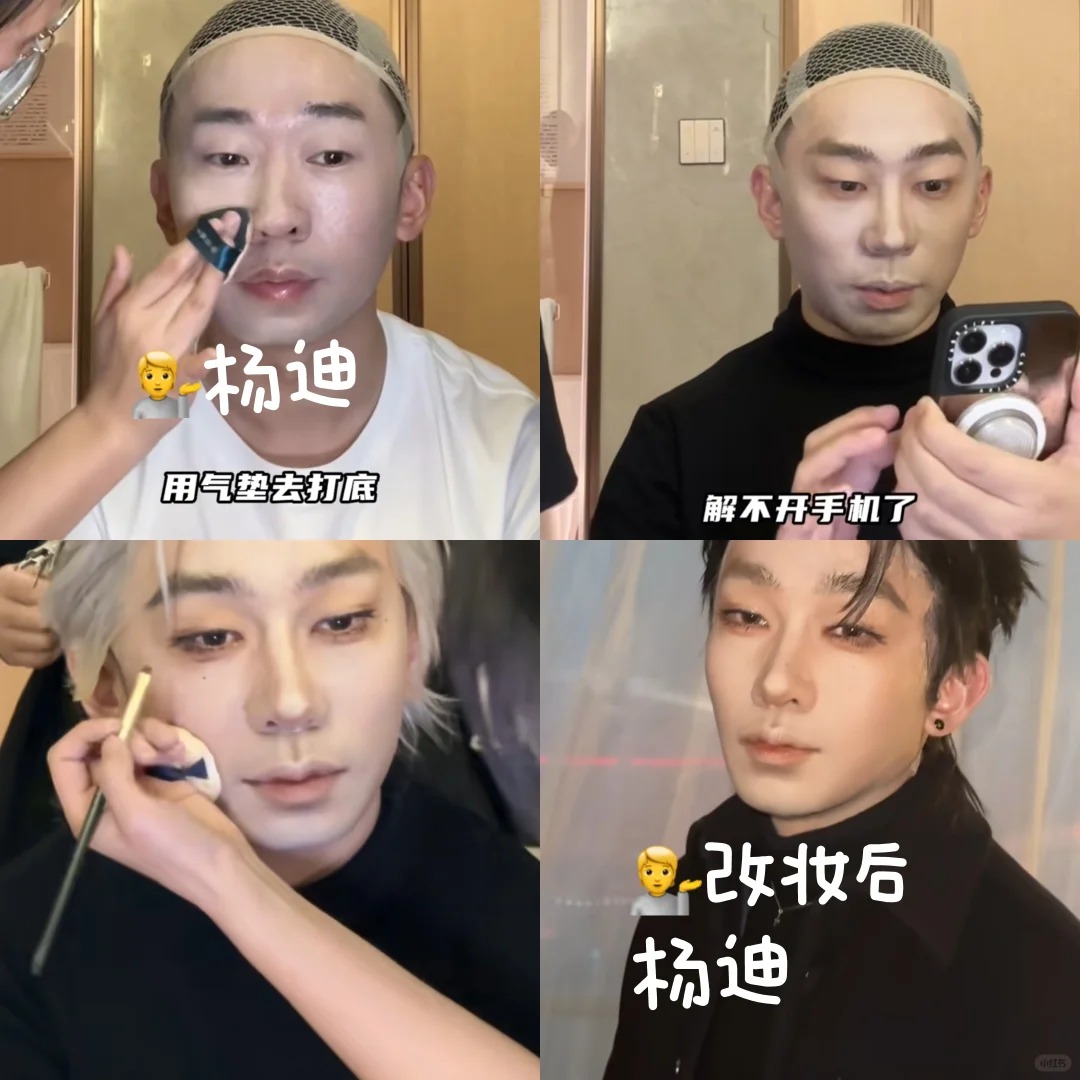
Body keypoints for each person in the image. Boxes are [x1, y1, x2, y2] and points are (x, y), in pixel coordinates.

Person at [0, 0, 539, 541]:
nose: (276, 218)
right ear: (165, 201)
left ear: (411, 197)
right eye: (228, 158)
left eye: (330, 156)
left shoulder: (511, 448)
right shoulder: (101, 458)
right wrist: (105, 430)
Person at [0, 540, 539, 1078]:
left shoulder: (532, 922)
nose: (291, 702)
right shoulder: (25, 955)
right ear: (106, 686)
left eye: (342, 622)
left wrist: (233, 884)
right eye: (211, 637)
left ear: (413, 647)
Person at [604, 540, 1080, 1078]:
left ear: (951, 690)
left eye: (852, 629)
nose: (776, 682)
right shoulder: (689, 886)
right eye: (747, 616)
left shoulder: (1045, 983)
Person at [590, 22, 1080, 541]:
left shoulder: (1064, 418)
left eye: (933, 184)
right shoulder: (675, 446)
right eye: (847, 185)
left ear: (978, 200)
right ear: (772, 202)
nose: (891, 236)